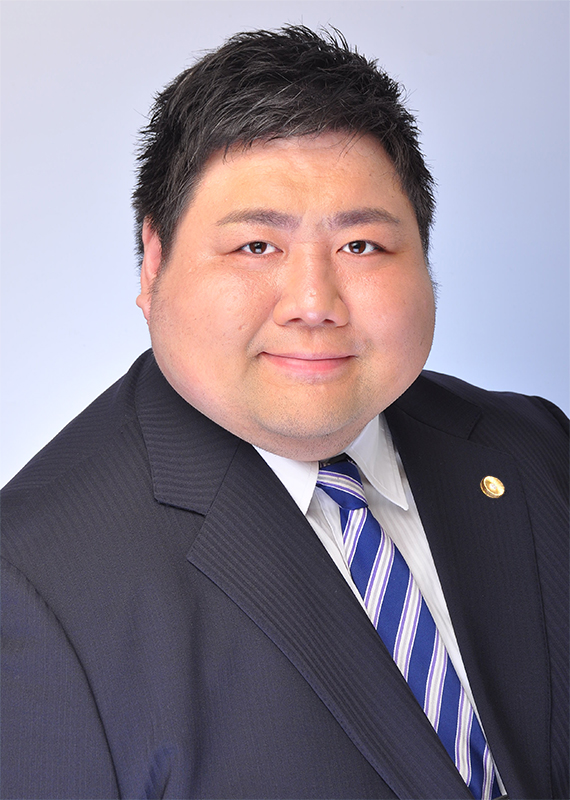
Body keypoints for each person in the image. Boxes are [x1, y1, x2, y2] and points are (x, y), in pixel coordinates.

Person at [1, 26, 567, 800]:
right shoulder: (30, 587)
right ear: (154, 262)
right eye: (257, 247)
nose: (313, 304)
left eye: (361, 246)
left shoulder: (534, 448)